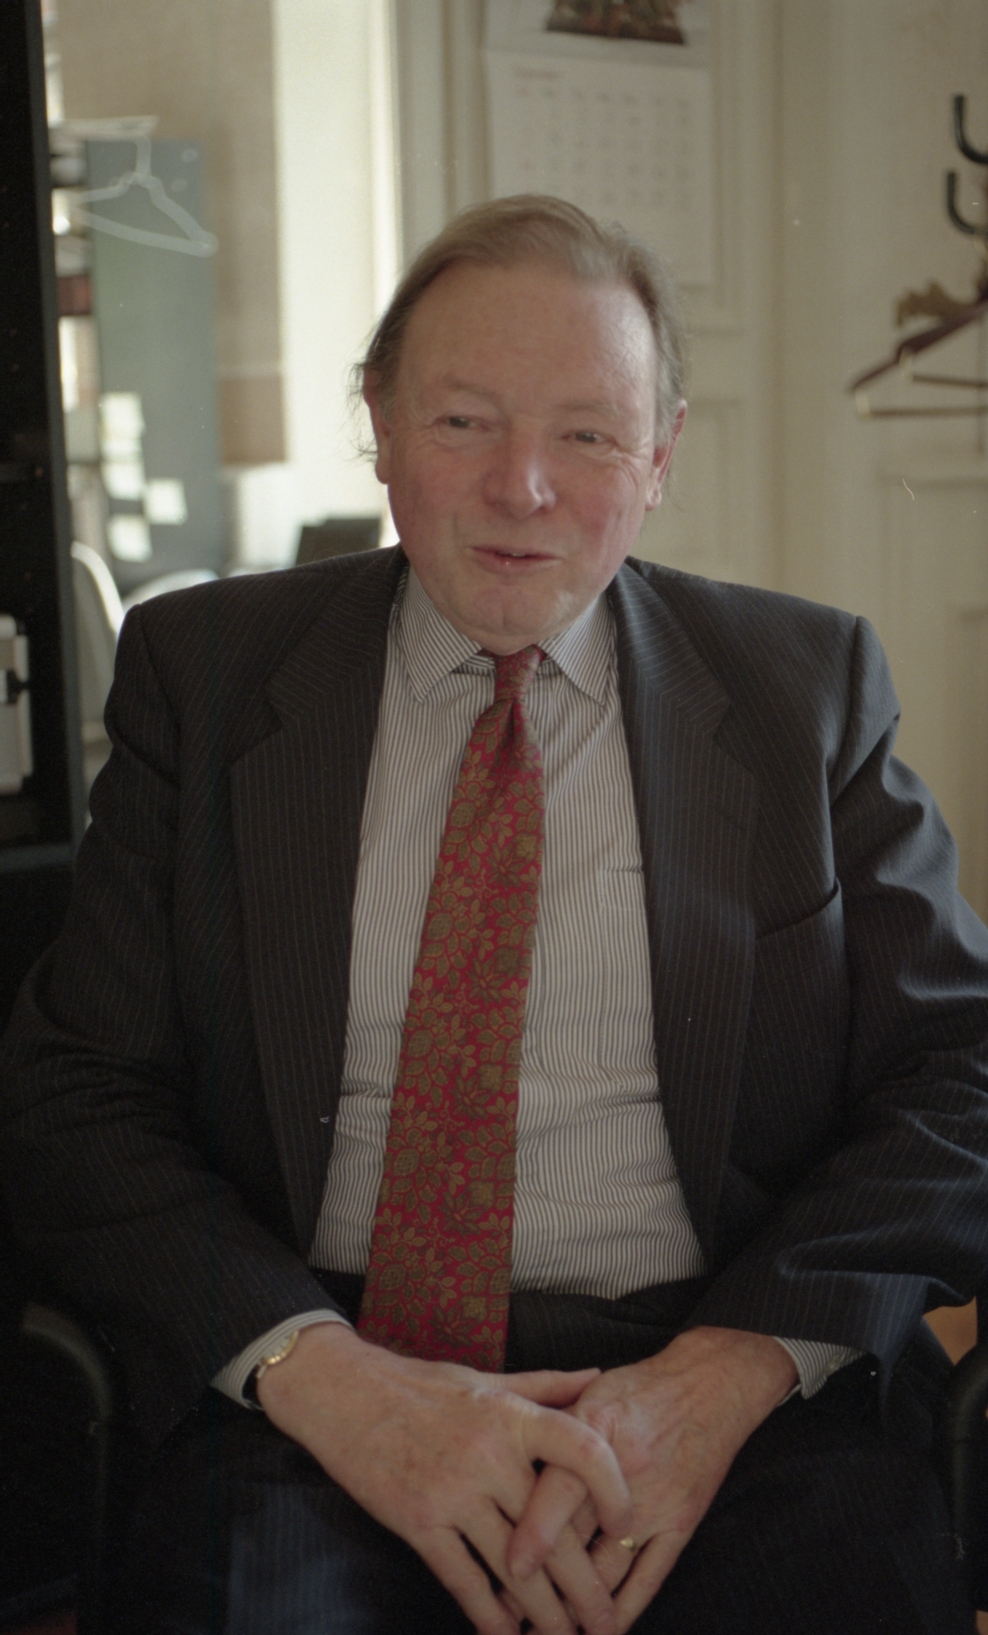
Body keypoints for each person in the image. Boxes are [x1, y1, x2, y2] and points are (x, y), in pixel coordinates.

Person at [3, 194, 988, 1635]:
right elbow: (75, 1092)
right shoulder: (203, 676)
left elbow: (961, 1072)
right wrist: (333, 1383)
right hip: (321, 1378)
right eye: (464, 420)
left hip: (720, 1372)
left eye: (588, 434)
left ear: (660, 457)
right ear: (379, 425)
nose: (523, 486)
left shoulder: (803, 691)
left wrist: (729, 1372)